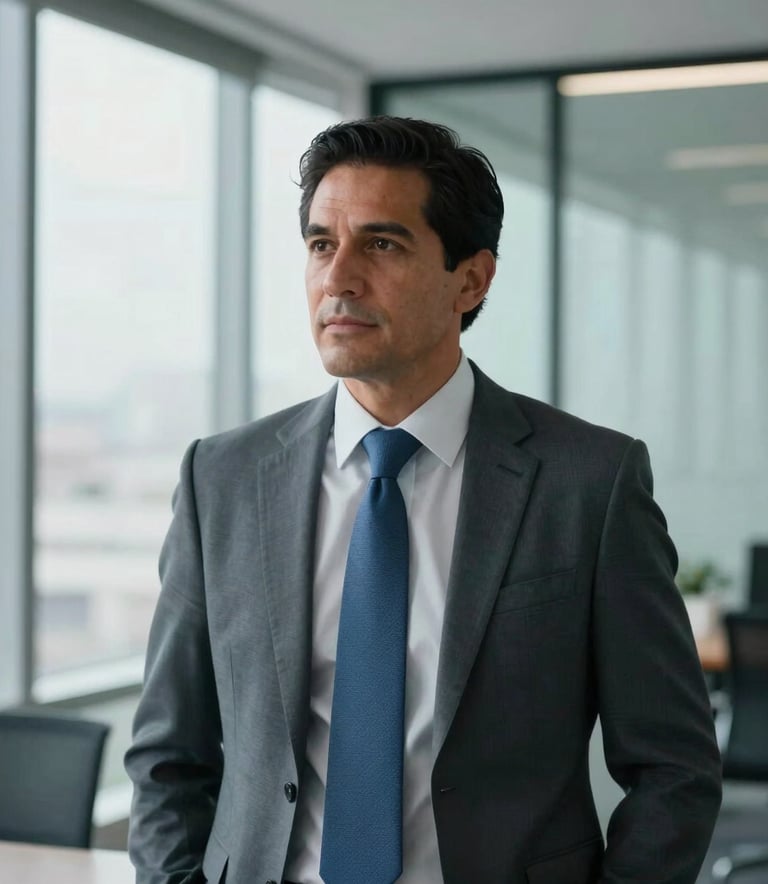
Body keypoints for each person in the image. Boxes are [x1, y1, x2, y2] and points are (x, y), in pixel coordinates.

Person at [125, 116, 722, 884]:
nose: (338, 277)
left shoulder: (589, 483)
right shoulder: (224, 479)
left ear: (470, 279)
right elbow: (168, 756)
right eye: (319, 244)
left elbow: (673, 766)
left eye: (381, 244)